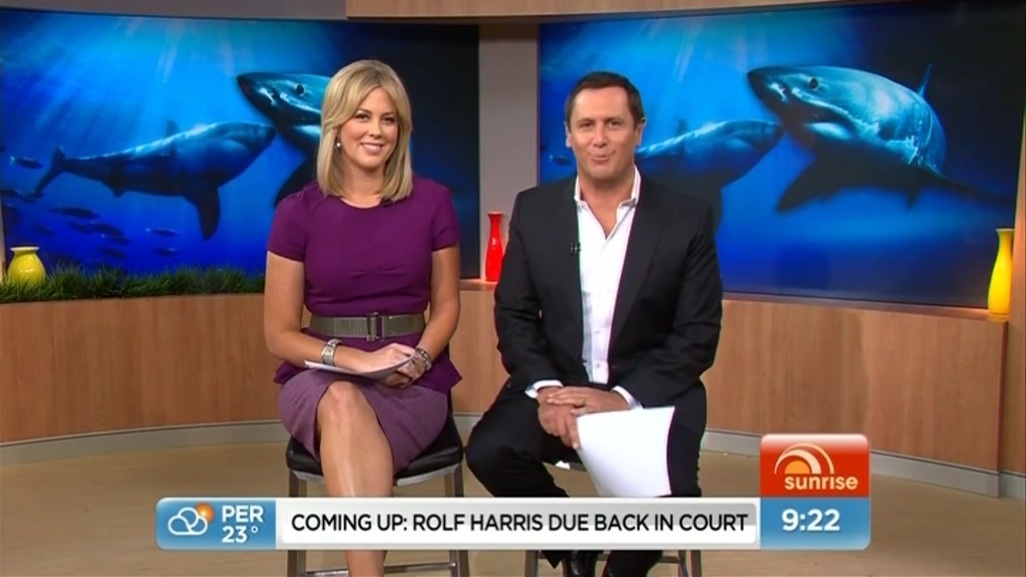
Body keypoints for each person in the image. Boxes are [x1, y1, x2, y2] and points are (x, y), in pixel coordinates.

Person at [465, 71, 723, 577]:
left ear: (639, 130)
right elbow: (515, 314)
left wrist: (622, 399)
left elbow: (698, 334)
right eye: (586, 125)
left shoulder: (686, 217)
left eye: (613, 124)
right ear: (568, 135)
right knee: (490, 451)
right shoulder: (535, 210)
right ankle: (576, 540)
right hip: (559, 386)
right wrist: (547, 391)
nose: (599, 138)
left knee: (667, 503)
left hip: (651, 395)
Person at [262, 59, 463, 577]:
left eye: (388, 119)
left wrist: (419, 359)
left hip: (413, 377)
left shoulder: (433, 202)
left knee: (353, 418)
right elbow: (279, 334)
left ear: (402, 129)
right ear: (335, 124)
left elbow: (446, 306)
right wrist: (352, 360)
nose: (376, 131)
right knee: (343, 401)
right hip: (322, 375)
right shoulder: (296, 211)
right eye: (362, 116)